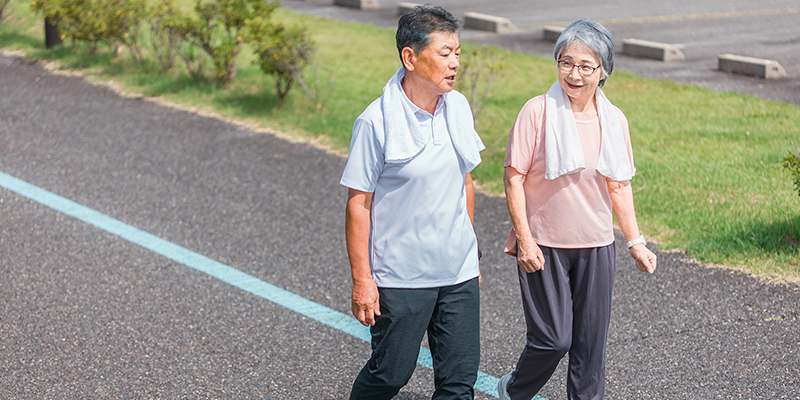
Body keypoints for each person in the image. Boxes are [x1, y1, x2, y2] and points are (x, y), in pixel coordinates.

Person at [498, 19, 657, 400]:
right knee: (553, 340)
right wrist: (524, 239)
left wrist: (635, 242)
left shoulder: (614, 120)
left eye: (586, 66)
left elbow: (618, 185)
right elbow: (513, 178)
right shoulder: (537, 112)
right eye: (566, 63)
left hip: (597, 247)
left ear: (603, 71)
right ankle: (514, 389)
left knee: (589, 349)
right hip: (544, 246)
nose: (575, 74)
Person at [339, 5, 485, 400]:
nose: (455, 63)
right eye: (444, 53)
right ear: (410, 57)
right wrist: (362, 280)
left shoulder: (458, 108)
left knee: (458, 384)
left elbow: (465, 181)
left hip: (457, 274)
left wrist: (469, 252)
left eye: (457, 52)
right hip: (401, 278)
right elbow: (358, 204)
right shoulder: (376, 122)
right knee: (389, 375)